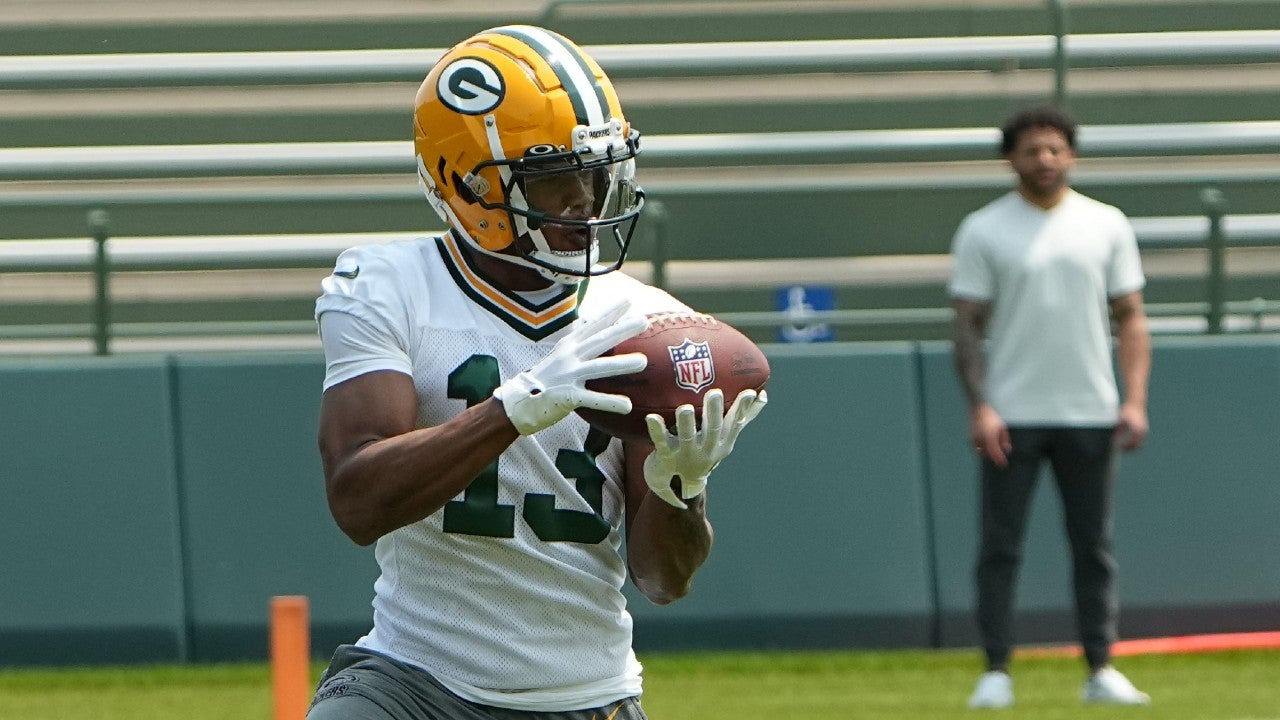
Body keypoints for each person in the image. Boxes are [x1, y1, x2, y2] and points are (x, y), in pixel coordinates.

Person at [306, 25, 767, 720]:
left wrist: (682, 489)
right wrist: (513, 409)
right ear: (468, 184)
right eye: (554, 178)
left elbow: (662, 580)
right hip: (414, 680)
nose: (586, 197)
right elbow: (357, 500)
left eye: (596, 169)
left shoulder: (647, 323)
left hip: (587, 694)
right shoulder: (387, 284)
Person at [948, 105, 1152, 709]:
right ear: (1011, 158)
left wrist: (1134, 400)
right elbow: (966, 328)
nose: (1044, 160)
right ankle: (996, 671)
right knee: (1000, 546)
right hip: (1012, 413)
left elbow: (1131, 317)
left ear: (1072, 155)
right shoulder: (984, 230)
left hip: (1090, 408)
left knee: (1094, 546)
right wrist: (981, 407)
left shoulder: (1106, 224)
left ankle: (1101, 667)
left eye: (1055, 149)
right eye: (1032, 150)